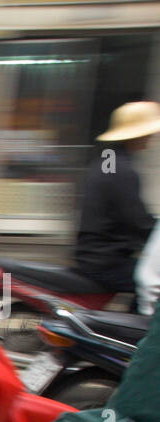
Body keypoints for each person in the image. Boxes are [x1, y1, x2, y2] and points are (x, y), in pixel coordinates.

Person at [72, 101, 160, 298]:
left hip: (92, 256)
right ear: (138, 134)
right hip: (106, 261)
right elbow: (137, 221)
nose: (152, 137)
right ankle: (140, 328)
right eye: (149, 133)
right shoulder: (122, 169)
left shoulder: (107, 157)